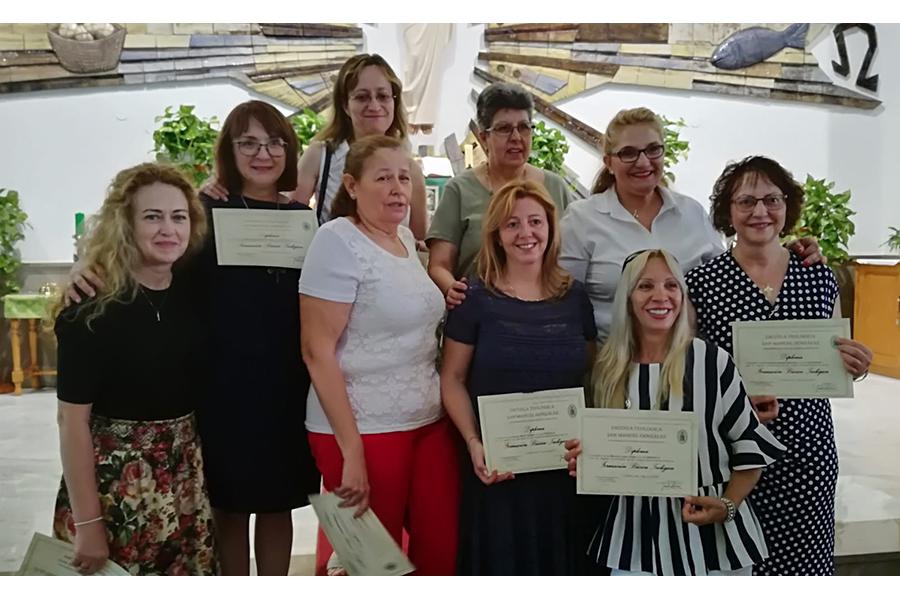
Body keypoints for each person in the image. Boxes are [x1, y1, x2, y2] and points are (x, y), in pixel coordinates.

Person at [61, 100, 322, 576]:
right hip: (220, 386)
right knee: (227, 504)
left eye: (274, 142)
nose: (262, 154)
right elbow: (148, 261)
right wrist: (86, 266)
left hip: (285, 386)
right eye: (248, 143)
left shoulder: (303, 220)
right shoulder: (204, 210)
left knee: (278, 501)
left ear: (290, 149)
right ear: (229, 149)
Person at [685, 156, 873, 575]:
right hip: (737, 454)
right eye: (746, 201)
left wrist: (855, 364)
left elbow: (837, 357)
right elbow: (690, 372)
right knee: (740, 568)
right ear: (727, 211)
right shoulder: (702, 283)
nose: (760, 211)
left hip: (809, 449)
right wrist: (732, 401)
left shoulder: (819, 278)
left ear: (787, 207)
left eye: (772, 199)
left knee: (805, 567)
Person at [566, 248, 785, 575]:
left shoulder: (712, 362)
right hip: (635, 536)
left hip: (713, 539)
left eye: (671, 285)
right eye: (645, 286)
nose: (660, 296)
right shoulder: (607, 371)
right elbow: (603, 454)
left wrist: (727, 506)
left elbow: (749, 446)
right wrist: (584, 459)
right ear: (627, 297)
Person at [299, 135, 460, 575]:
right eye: (383, 178)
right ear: (351, 186)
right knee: (373, 562)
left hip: (426, 420)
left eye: (404, 178)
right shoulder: (336, 240)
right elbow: (316, 352)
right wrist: (351, 451)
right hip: (361, 427)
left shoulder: (407, 240)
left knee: (441, 549)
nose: (396, 189)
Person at [53, 162, 216, 576]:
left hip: (183, 481)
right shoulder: (91, 309)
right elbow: (71, 422)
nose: (168, 229)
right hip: (115, 488)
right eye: (152, 216)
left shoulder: (191, 293)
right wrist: (88, 523)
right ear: (125, 224)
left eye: (179, 217)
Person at [559, 107, 824, 341]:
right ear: (609, 162)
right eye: (628, 153)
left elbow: (732, 276)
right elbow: (564, 304)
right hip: (612, 369)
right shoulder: (582, 219)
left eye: (653, 150)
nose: (643, 161)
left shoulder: (691, 213)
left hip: (687, 371)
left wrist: (782, 252)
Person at [440, 180, 596, 574]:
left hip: (564, 472)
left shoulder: (576, 298)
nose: (526, 234)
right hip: (498, 470)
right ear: (496, 234)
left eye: (535, 222)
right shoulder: (473, 297)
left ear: (550, 228)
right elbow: (452, 378)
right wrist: (474, 442)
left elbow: (590, 377)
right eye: (512, 224)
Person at [202, 54, 428, 239]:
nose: (374, 105)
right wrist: (222, 183)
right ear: (345, 105)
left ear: (394, 101)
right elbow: (284, 216)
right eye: (362, 97)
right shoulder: (323, 155)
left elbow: (418, 240)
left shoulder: (411, 168)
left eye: (383, 96)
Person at [427, 82, 574, 308]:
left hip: (545, 310)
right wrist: (452, 289)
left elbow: (569, 257)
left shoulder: (554, 187)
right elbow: (439, 264)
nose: (516, 137)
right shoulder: (460, 190)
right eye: (504, 128)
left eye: (524, 127)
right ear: (484, 137)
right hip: (478, 312)